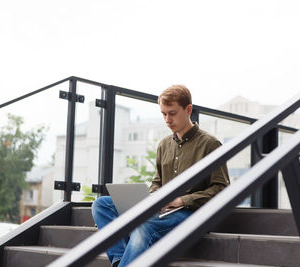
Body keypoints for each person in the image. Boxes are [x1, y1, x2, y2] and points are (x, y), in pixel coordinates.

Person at [91, 85, 230, 267]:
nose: (167, 119)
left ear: (188, 109)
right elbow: (157, 181)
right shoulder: (163, 145)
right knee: (101, 205)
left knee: (146, 225)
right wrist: (154, 196)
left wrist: (181, 201)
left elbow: (221, 188)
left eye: (172, 113)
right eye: (163, 113)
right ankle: (120, 260)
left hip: (190, 212)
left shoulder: (210, 144)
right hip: (161, 208)